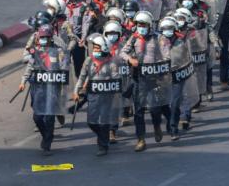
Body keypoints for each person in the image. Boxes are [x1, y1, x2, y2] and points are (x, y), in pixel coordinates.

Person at [119, 11, 172, 152]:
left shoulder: (159, 38)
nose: (140, 27)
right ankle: (141, 139)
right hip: (138, 78)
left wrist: (160, 64)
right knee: (139, 111)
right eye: (138, 25)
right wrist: (130, 59)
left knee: (155, 108)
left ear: (149, 25)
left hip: (155, 79)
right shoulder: (134, 38)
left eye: (143, 25)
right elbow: (122, 52)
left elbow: (167, 56)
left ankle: (156, 126)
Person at [18, 24, 70, 155]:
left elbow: (64, 67)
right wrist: (23, 82)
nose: (44, 40)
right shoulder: (35, 52)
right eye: (42, 37)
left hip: (53, 88)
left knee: (49, 117)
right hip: (38, 88)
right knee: (37, 117)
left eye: (46, 38)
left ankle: (47, 142)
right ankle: (45, 134)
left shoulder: (58, 51)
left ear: (51, 38)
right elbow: (29, 68)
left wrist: (63, 78)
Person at [73, 33, 125, 156]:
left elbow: (117, 79)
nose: (94, 50)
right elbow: (81, 78)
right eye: (94, 47)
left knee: (104, 121)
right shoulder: (89, 60)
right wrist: (76, 91)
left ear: (104, 48)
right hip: (93, 97)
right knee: (92, 122)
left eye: (97, 48)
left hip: (107, 97)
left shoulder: (111, 62)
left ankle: (103, 145)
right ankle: (103, 136)